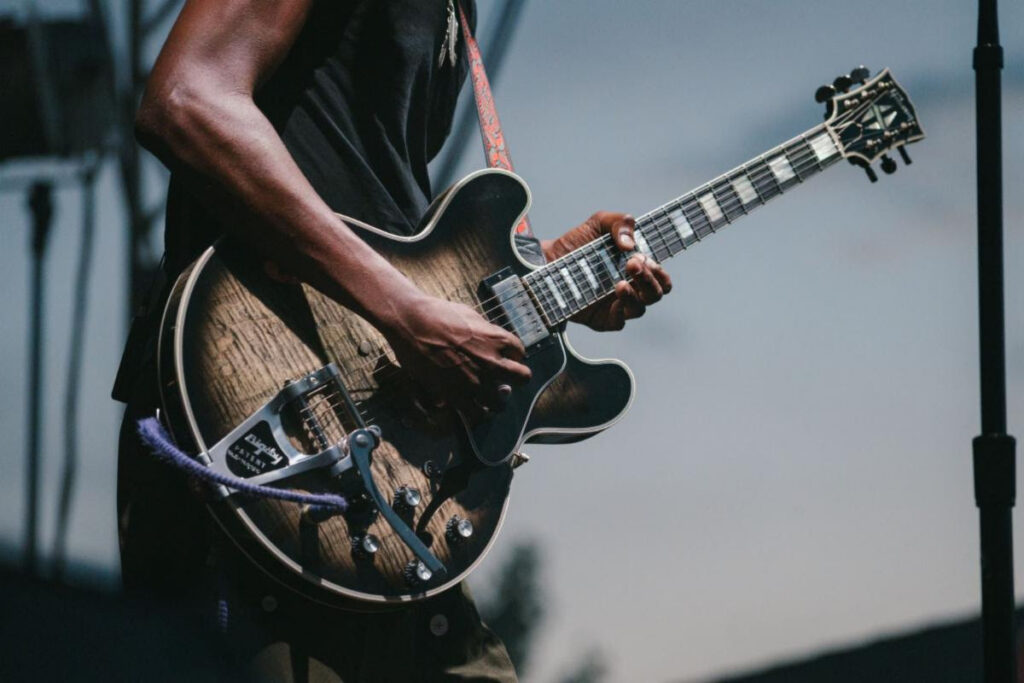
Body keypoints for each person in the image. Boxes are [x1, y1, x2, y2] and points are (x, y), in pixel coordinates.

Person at [115, 1, 673, 680]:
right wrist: (403, 313)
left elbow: (369, 195)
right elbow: (187, 99)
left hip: (385, 469)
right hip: (261, 420)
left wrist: (540, 281)